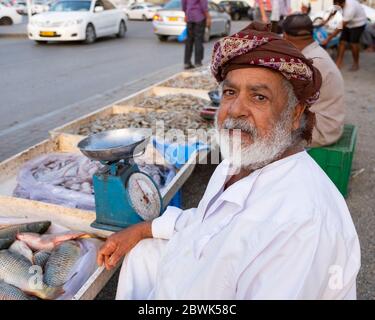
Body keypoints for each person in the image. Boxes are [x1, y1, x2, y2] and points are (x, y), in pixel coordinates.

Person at [98, 22, 360, 300]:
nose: (234, 110)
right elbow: (207, 223)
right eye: (230, 93)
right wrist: (142, 230)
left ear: (295, 114)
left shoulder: (301, 224)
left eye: (259, 97)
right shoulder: (240, 161)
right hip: (197, 276)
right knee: (143, 251)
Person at [283, 14, 345, 147]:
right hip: (330, 125)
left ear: (285, 36)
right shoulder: (315, 53)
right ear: (312, 33)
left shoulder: (308, 62)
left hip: (322, 131)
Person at [321, 0, 367, 71]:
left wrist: (328, 39)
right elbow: (334, 11)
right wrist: (326, 20)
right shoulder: (338, 3)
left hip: (358, 24)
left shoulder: (350, 8)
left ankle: (356, 64)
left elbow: (340, 27)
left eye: (340, 6)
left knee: (353, 43)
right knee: (342, 42)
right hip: (348, 23)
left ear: (343, 3)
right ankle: (339, 62)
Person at [182, 0, 211, 69]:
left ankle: (187, 62)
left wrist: (186, 14)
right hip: (199, 17)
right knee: (198, 40)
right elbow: (204, 5)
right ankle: (197, 62)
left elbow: (183, 4)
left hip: (189, 17)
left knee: (189, 40)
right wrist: (208, 17)